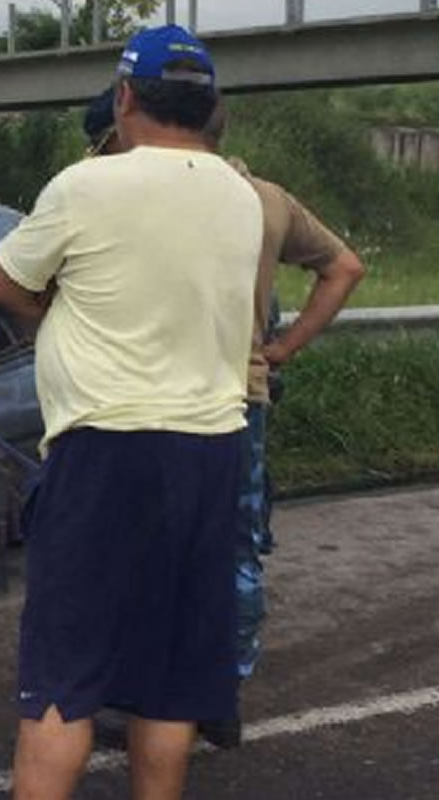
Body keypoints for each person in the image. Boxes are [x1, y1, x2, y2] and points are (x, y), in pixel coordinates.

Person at [0, 26, 260, 800]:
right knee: (171, 680)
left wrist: (61, 320)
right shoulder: (240, 195)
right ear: (209, 107)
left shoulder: (87, 185)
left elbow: (7, 284)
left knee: (63, 680)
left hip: (106, 450)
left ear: (126, 97)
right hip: (211, 450)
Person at [199, 104, 368, 743]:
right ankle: (223, 691)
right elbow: (345, 267)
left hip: (160, 399)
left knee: (154, 542)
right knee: (237, 544)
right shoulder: (267, 199)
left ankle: (153, 690)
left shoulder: (151, 194)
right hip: (243, 396)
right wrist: (284, 346)